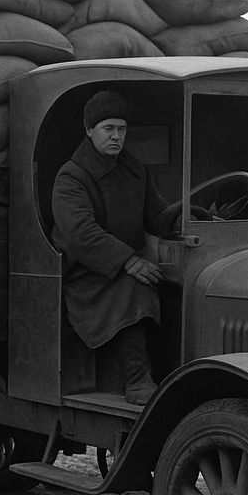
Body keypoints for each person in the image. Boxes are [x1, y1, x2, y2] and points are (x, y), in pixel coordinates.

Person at [51, 91, 172, 406]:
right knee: (135, 287)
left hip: (122, 265)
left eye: (122, 129)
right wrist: (128, 262)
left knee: (173, 284)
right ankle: (136, 382)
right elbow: (80, 233)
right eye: (108, 129)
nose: (117, 136)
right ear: (89, 130)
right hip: (86, 276)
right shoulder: (72, 176)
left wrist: (194, 220)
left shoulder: (133, 169)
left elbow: (158, 216)